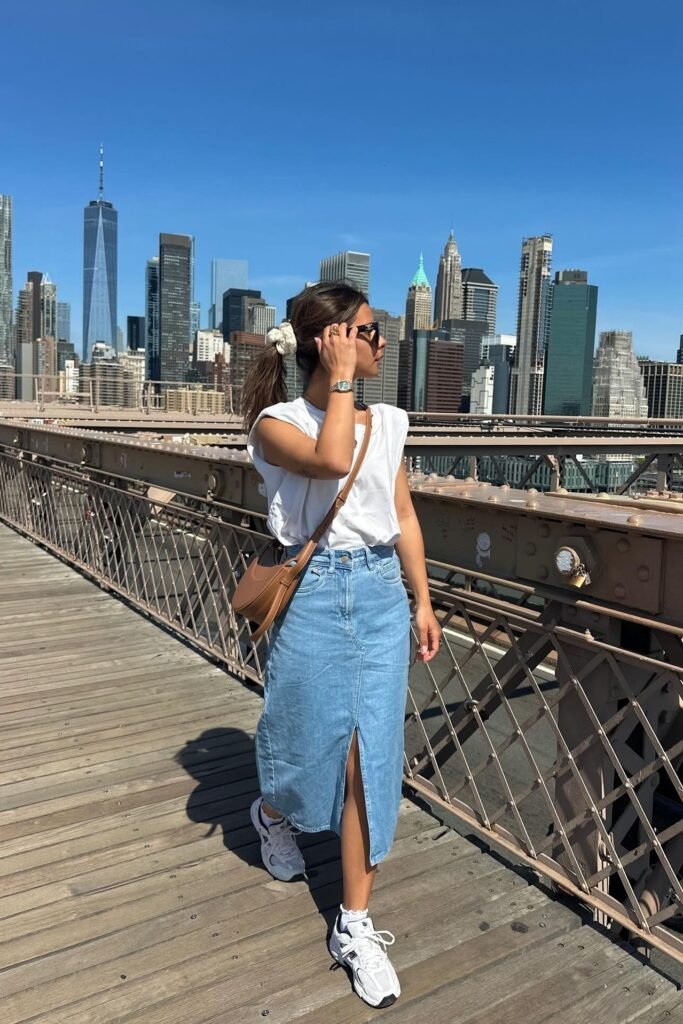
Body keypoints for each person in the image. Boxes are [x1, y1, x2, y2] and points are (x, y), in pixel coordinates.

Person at [243, 281, 441, 1008]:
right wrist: (343, 386)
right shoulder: (275, 422)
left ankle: (353, 923)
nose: (380, 343)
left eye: (378, 332)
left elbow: (403, 515)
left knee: (370, 756)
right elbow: (328, 463)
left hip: (381, 591)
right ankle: (273, 813)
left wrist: (422, 599)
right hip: (315, 592)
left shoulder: (388, 422)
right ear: (327, 340)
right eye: (368, 330)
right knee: (304, 736)